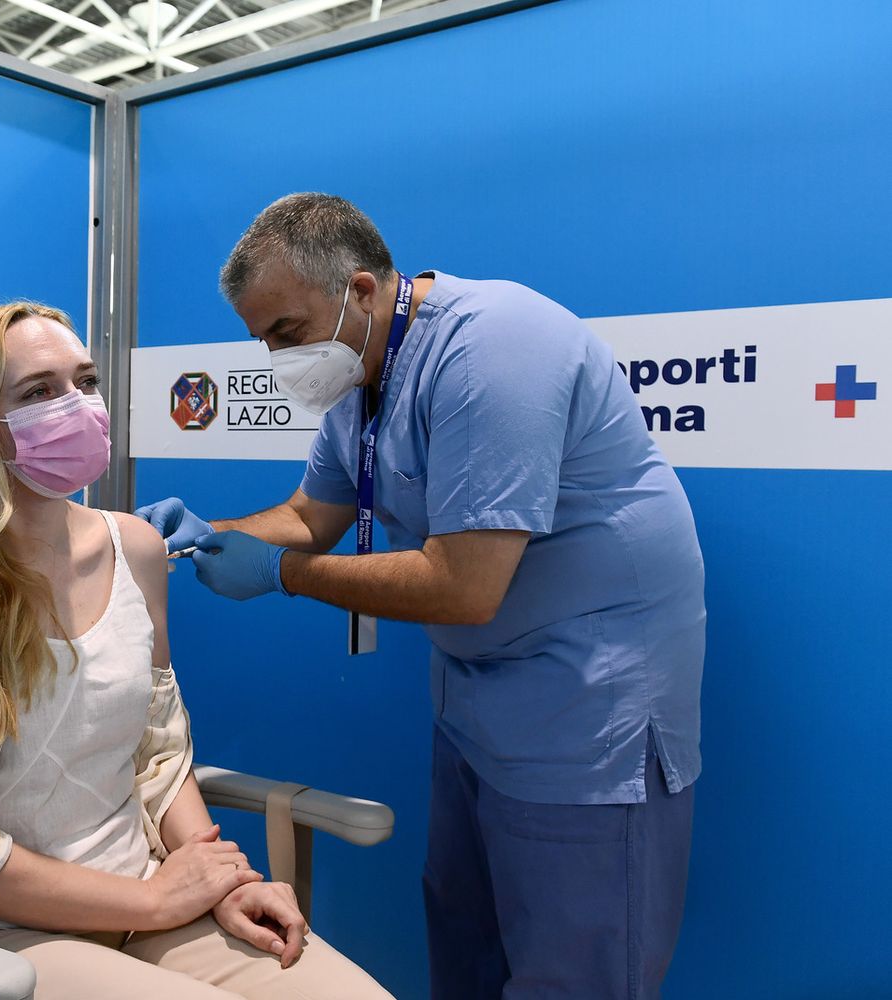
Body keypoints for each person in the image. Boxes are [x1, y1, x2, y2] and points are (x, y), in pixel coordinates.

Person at [138, 193, 705, 1000]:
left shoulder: (495, 348)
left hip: (590, 703)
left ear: (361, 290)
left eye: (286, 333)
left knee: (576, 970)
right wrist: (205, 530)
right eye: (261, 339)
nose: (276, 357)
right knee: (466, 946)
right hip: (478, 704)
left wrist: (278, 575)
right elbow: (309, 516)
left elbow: (464, 585)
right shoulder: (363, 374)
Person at [0, 301, 394, 1000]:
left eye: (85, 381)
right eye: (39, 392)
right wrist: (160, 902)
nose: (77, 405)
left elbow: (160, 753)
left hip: (145, 888)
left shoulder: (134, 548)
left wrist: (216, 877)